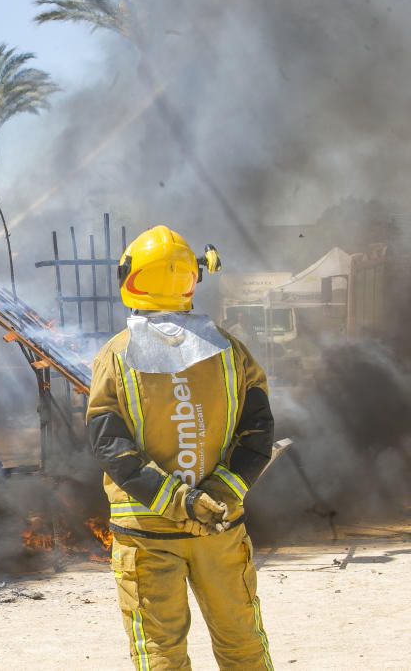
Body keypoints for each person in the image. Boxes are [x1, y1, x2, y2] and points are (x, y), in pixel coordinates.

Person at [86, 226, 274, 670]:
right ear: (193, 279)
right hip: (219, 530)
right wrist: (221, 493)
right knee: (242, 645)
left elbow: (108, 442)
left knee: (160, 653)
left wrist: (177, 500)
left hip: (147, 533)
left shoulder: (116, 355)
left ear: (131, 279)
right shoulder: (230, 351)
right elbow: (258, 431)